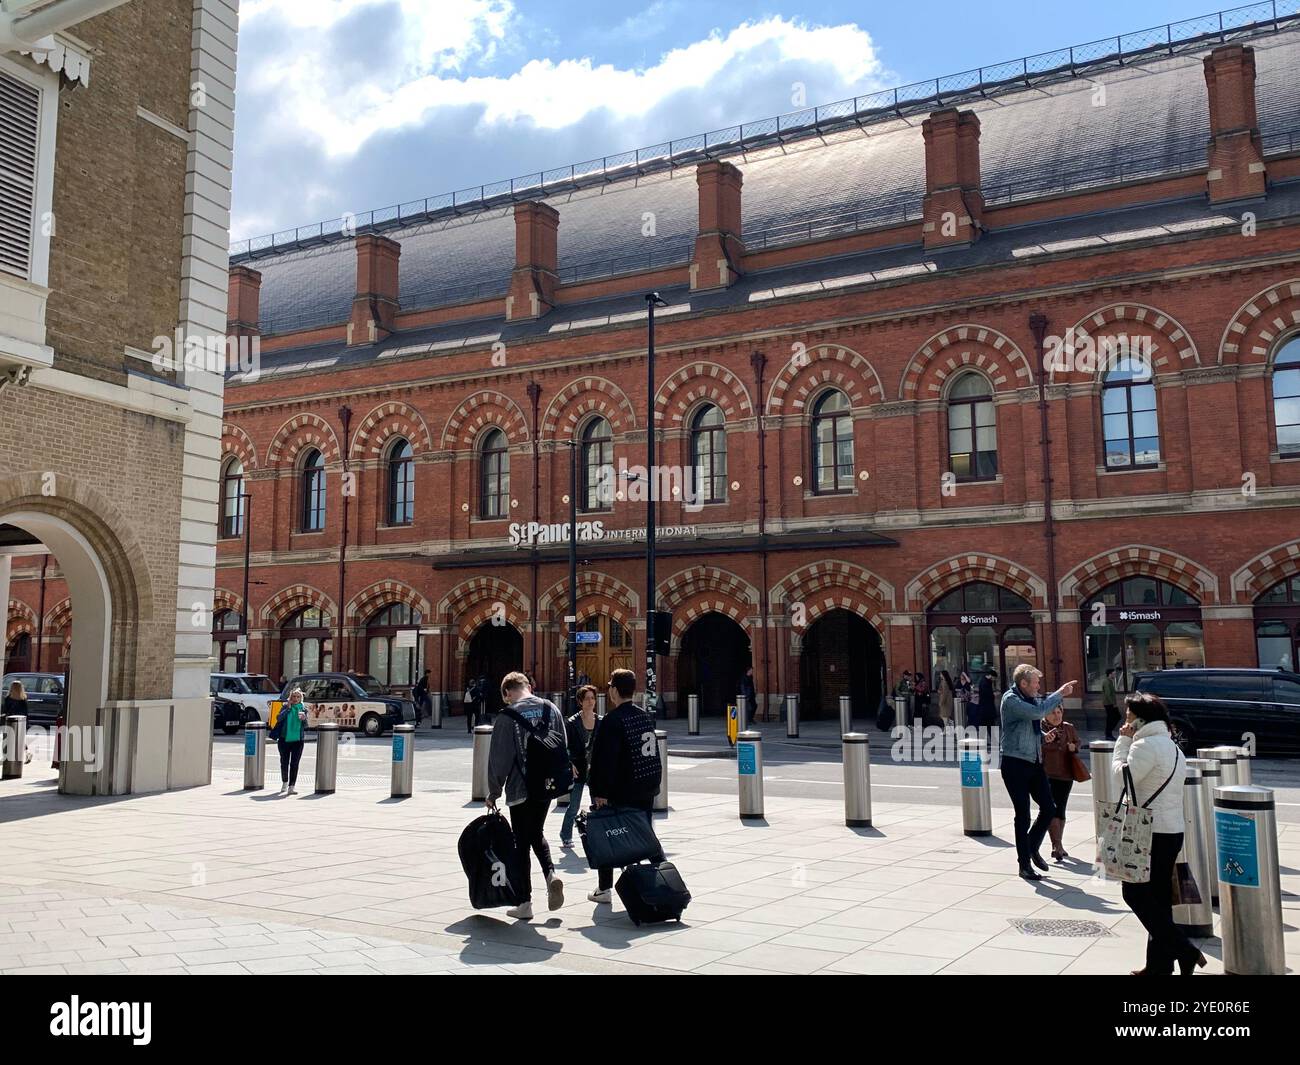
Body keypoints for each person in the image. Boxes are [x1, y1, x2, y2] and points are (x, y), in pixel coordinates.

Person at [1113, 692, 1205, 976]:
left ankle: (1185, 951)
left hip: (1149, 832)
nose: (1125, 722)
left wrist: (1123, 742)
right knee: (1159, 899)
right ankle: (1159, 966)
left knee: (1134, 893)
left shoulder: (1145, 746)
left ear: (1141, 719)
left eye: (1128, 716)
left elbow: (1121, 777)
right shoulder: (1171, 746)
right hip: (1171, 830)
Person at [486, 671, 566, 921]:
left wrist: (493, 791)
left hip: (521, 789)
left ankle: (524, 902)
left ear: (507, 693)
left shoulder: (507, 716)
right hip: (548, 786)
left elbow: (499, 760)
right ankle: (551, 874)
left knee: (521, 843)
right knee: (536, 833)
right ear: (529, 686)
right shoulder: (551, 708)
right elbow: (562, 745)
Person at [586, 668, 663, 904]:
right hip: (647, 785)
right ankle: (663, 873)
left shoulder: (612, 720)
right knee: (645, 833)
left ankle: (604, 889)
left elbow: (604, 760)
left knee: (608, 834)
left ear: (614, 691)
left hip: (623, 788)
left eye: (610, 687)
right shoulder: (644, 716)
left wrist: (600, 792)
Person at [998, 664, 1078, 880]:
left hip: (1034, 761)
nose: (1038, 686)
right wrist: (1060, 693)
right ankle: (1024, 864)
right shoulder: (1011, 699)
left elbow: (1027, 726)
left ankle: (1031, 847)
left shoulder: (1029, 697)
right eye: (1035, 683)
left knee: (1049, 808)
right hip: (1014, 762)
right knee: (1023, 815)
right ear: (1023, 683)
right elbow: (1037, 713)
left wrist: (1042, 736)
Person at [1041, 705, 1082, 861]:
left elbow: (1078, 742)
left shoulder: (1068, 728)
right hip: (1046, 774)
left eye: (1059, 712)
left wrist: (1074, 747)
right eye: (1052, 713)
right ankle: (1056, 845)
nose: (1056, 716)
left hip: (1065, 774)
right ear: (1045, 714)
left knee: (1061, 808)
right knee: (1051, 808)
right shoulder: (1040, 728)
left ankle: (1058, 844)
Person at [559, 684, 598, 848]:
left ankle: (598, 834)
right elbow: (564, 745)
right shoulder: (572, 722)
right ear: (580, 702)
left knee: (597, 805)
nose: (591, 701)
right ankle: (565, 834)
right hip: (578, 767)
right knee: (574, 805)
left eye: (593, 698)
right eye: (587, 698)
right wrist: (569, 762)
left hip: (595, 769)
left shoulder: (600, 721)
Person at [276, 686, 308, 795]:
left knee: (294, 763)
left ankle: (291, 786)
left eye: (298, 697)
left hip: (298, 740)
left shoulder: (303, 709)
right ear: (290, 697)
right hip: (284, 739)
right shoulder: (285, 706)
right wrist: (288, 708)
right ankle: (285, 782)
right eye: (294, 696)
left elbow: (306, 726)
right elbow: (278, 718)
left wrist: (304, 719)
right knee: (284, 762)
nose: (295, 698)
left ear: (301, 698)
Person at [3, 680, 33, 764]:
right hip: (21, 722)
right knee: (20, 739)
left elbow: (5, 710)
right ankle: (27, 753)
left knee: (10, 739)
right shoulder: (23, 699)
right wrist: (27, 724)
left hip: (10, 721)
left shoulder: (8, 698)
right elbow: (26, 713)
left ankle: (8, 756)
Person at [1102, 668, 1120, 741]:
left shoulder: (1110, 681)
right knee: (1112, 718)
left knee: (1115, 717)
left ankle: (1109, 733)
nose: (1115, 675)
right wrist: (1113, 704)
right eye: (1114, 674)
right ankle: (1108, 734)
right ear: (1110, 674)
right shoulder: (1106, 682)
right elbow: (1108, 694)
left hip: (1111, 703)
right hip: (1109, 704)